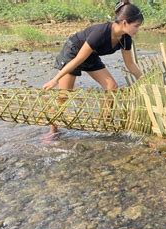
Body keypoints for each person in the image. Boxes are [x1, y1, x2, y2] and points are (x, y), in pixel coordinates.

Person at [42, 0, 143, 137]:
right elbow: (78, 59)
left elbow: (130, 65)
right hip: (73, 52)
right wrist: (55, 79)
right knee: (63, 96)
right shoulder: (100, 33)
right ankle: (52, 132)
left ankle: (105, 122)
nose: (138, 29)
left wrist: (144, 80)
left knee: (112, 87)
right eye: (136, 26)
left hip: (91, 55)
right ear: (125, 23)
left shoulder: (126, 39)